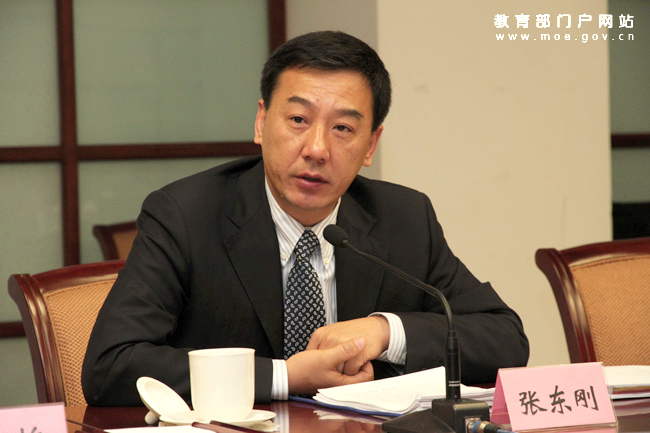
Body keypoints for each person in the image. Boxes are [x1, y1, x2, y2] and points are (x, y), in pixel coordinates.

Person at [82, 31, 529, 406]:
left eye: (343, 128)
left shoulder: (405, 218)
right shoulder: (185, 215)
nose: (316, 149)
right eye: (298, 119)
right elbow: (110, 366)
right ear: (261, 123)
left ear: (371, 145)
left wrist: (385, 331)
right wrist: (287, 377)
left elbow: (505, 339)